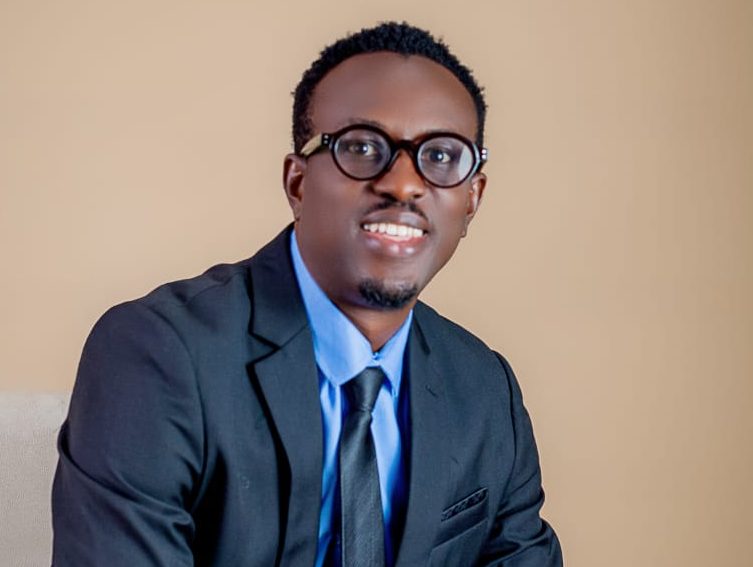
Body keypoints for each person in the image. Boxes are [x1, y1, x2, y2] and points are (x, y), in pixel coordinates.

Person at [52, 22, 562, 566]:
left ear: (472, 198)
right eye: (362, 147)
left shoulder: (484, 389)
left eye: (441, 157)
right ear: (297, 183)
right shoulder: (157, 356)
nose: (404, 184)